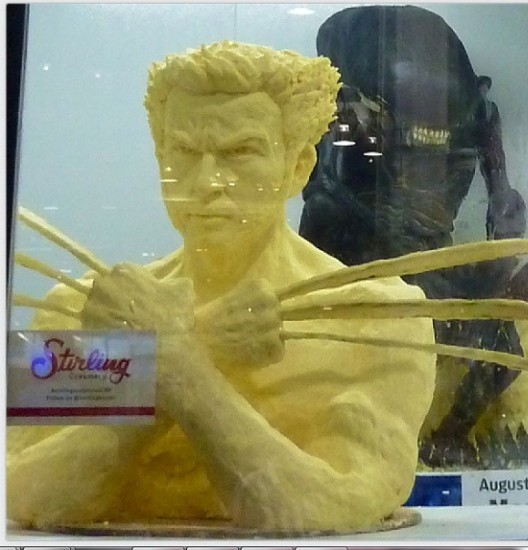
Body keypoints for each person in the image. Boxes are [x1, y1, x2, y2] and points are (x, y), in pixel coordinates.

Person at [7, 42, 435, 532]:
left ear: (298, 167)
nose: (207, 181)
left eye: (241, 152)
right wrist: (190, 353)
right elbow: (25, 495)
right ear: (160, 159)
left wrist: (178, 366)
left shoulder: (377, 321)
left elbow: (330, 508)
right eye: (184, 153)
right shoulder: (80, 309)